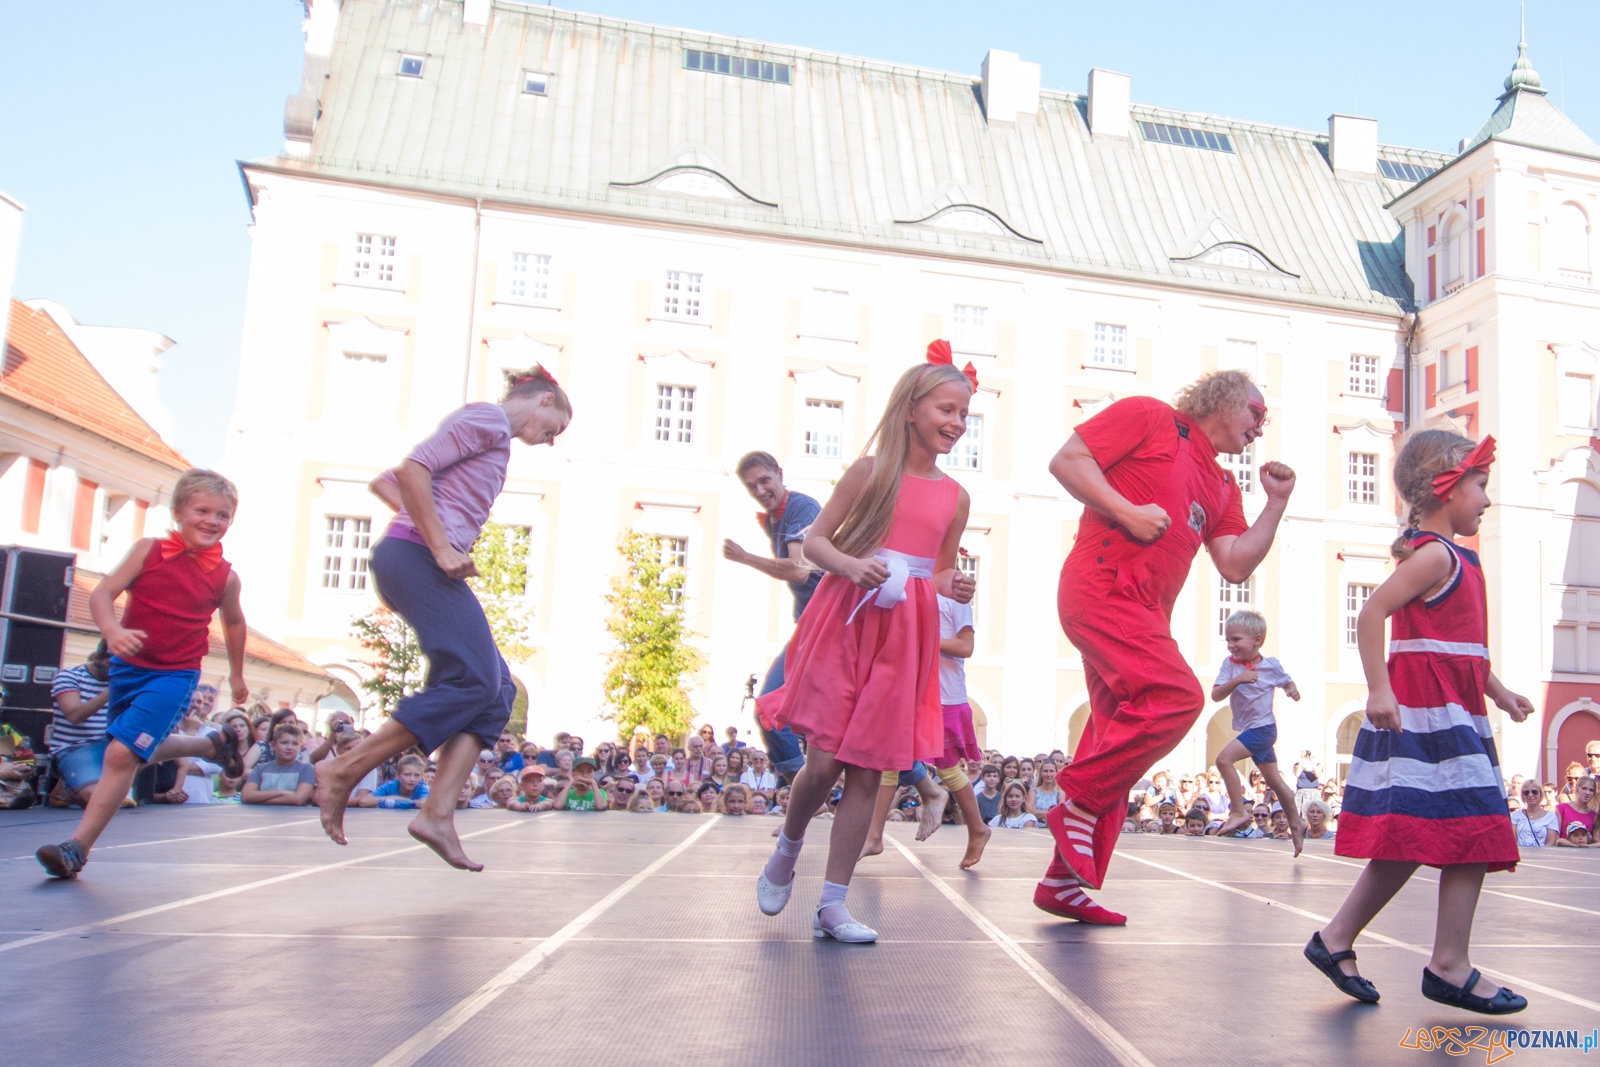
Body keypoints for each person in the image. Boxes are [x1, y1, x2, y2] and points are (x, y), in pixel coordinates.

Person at [1038, 370, 1292, 925]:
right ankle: (1078, 800)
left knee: (1113, 738)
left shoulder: (1223, 484)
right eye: (1256, 412)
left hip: (1146, 615)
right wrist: (1127, 511)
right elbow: (1067, 461)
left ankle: (1065, 883)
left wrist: (1274, 504)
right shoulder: (1151, 417)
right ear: (1223, 399)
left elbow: (1234, 564)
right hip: (1102, 588)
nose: (1260, 428)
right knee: (1177, 696)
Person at [754, 344, 977, 943]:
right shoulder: (870, 472)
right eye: (947, 409)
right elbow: (816, 544)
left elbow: (935, 572)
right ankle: (788, 845)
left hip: (905, 634)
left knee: (866, 771)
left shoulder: (956, 497)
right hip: (847, 620)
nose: (956, 424)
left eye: (964, 414)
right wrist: (853, 567)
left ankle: (833, 903)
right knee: (823, 761)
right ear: (911, 408)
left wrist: (948, 583)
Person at [1306, 431, 1529, 1015]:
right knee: (1473, 828)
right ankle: (1448, 964)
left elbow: (1459, 648)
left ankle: (1336, 940)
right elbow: (1372, 612)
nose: (1486, 499)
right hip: (1427, 714)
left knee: (1417, 832)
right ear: (1445, 489)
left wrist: (1499, 692)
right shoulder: (1435, 554)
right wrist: (1379, 687)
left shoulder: (1454, 557)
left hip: (1452, 707)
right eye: (1480, 487)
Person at [315, 369, 570, 870]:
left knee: (496, 690)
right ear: (544, 399)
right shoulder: (489, 419)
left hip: (422, 558)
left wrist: (440, 532)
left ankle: (437, 811)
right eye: (556, 426)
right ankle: (343, 768)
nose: (551, 440)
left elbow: (387, 486)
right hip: (415, 558)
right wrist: (438, 544)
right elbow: (412, 471)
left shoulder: (494, 438)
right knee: (473, 677)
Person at [35, 470, 249, 879]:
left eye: (222, 515)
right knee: (126, 744)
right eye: (201, 511)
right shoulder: (147, 551)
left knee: (119, 754)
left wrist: (237, 675)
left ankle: (76, 848)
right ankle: (209, 746)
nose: (211, 521)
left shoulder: (225, 577)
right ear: (178, 512)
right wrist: (112, 631)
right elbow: (102, 593)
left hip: (175, 673)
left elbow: (235, 623)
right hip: (129, 669)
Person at [724, 450, 824, 784]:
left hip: (830, 626)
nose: (760, 490)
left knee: (770, 707)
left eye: (765, 480)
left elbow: (798, 571)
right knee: (773, 713)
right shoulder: (774, 519)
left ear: (780, 474)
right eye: (752, 486)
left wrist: (744, 557)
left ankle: (806, 792)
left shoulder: (801, 508)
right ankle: (805, 793)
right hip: (811, 624)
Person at [1209, 610, 1304, 852]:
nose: (1231, 645)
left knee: (1223, 760)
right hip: (1253, 729)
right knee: (1275, 781)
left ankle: (1238, 810)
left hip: (1263, 729)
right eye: (1228, 639)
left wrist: (1292, 690)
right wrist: (1238, 680)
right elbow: (1216, 695)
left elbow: (1286, 680)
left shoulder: (1271, 666)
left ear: (1257, 640)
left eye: (1236, 640)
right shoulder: (1229, 666)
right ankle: (1297, 824)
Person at [48, 641, 113, 808]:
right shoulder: (69, 676)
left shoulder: (128, 679)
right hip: (76, 747)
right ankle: (68, 787)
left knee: (150, 740)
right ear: (98, 658)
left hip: (111, 744)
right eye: (114, 663)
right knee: (95, 799)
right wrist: (111, 691)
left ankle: (114, 787)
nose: (119, 670)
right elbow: (74, 715)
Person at [243, 724, 317, 805]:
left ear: (300, 748)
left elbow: (298, 799)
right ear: (273, 745)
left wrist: (259, 800)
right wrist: (281, 792)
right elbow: (247, 796)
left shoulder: (306, 769)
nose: (289, 747)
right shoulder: (260, 769)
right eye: (284, 743)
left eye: (295, 744)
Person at [1511, 781, 1558, 847]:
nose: (1530, 795)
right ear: (1523, 795)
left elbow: (1551, 842)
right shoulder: (1515, 815)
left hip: (1542, 855)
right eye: (1526, 792)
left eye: (1534, 792)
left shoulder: (1551, 817)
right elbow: (1512, 840)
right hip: (1521, 854)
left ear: (1541, 794)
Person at [1553, 775, 1596, 845]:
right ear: (1577, 789)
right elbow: (1555, 837)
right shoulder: (1562, 809)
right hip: (1563, 852)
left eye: (1591, 790)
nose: (1587, 792)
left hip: (1586, 853)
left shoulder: (1594, 815)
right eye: (1584, 788)